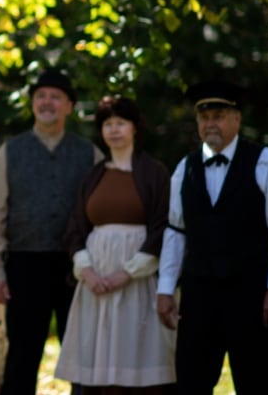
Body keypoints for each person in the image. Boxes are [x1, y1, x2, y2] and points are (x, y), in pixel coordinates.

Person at [156, 81, 268, 395]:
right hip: (199, 293)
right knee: (192, 379)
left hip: (252, 293)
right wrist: (166, 289)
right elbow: (175, 232)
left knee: (256, 379)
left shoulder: (265, 160)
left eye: (218, 115)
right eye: (204, 117)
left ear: (237, 119)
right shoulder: (185, 167)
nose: (210, 124)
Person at [0, 68, 103, 394]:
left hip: (76, 266)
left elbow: (102, 212)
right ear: (33, 104)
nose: (47, 102)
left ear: (69, 106)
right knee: (22, 354)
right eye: (41, 96)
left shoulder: (89, 153)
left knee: (81, 352)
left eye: (56, 97)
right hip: (24, 264)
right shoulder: (11, 151)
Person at [54, 96, 176, 395]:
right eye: (108, 124)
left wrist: (127, 273)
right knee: (99, 360)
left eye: (121, 123)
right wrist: (89, 272)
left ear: (135, 128)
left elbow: (164, 226)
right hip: (96, 285)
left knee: (137, 353)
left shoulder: (153, 172)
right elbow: (76, 228)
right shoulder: (94, 175)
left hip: (137, 283)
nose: (114, 130)